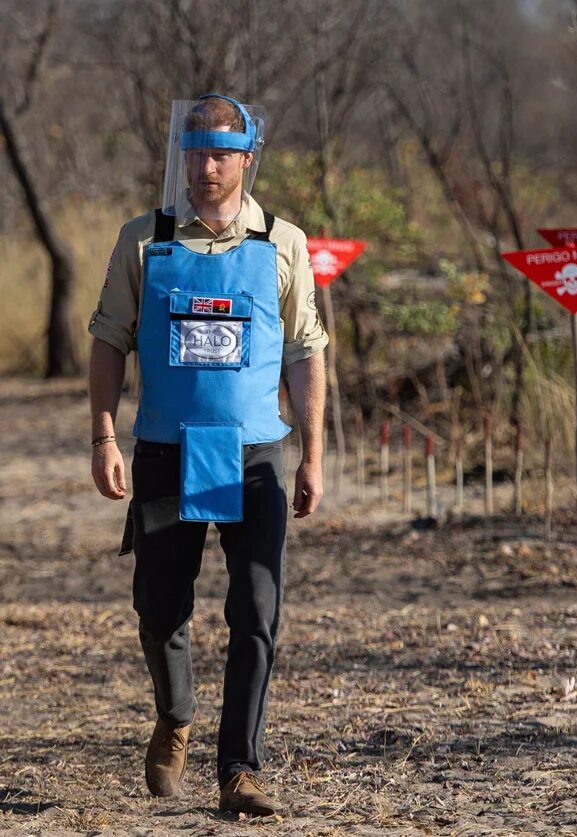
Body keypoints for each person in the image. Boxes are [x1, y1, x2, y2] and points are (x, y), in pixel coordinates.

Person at [86, 93, 327, 817]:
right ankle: (176, 715)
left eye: (221, 153)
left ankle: (239, 768)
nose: (206, 167)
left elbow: (306, 351)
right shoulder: (144, 240)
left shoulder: (282, 242)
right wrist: (103, 434)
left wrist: (313, 453)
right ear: (180, 156)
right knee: (161, 609)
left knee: (257, 607)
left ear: (248, 158)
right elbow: (107, 340)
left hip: (254, 454)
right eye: (195, 152)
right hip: (166, 448)